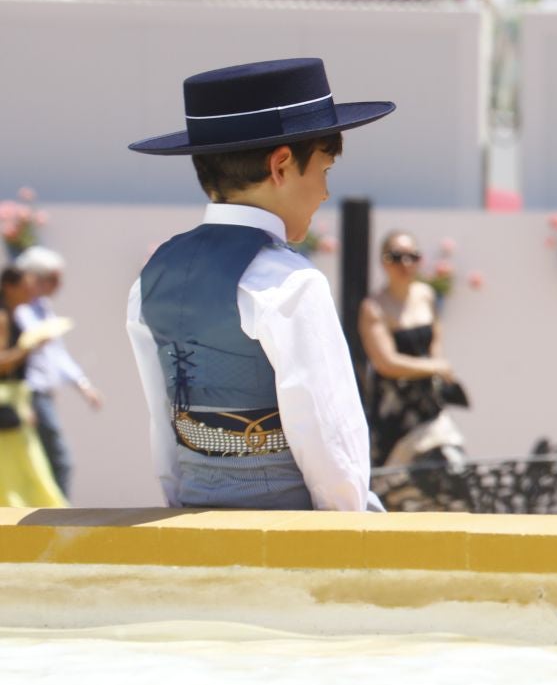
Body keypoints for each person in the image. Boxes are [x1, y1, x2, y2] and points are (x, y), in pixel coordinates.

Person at [125, 57, 392, 511]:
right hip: (287, 544)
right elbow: (329, 441)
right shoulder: (288, 283)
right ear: (281, 165)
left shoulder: (152, 277)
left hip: (192, 527)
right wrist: (350, 526)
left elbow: (162, 425)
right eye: (324, 170)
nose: (326, 193)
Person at [360, 229, 467, 469]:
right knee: (395, 484)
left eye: (413, 256)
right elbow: (385, 362)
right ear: (383, 261)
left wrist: (438, 371)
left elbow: (435, 339)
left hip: (428, 403)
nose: (405, 264)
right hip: (395, 409)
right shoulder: (374, 307)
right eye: (396, 257)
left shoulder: (426, 294)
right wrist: (435, 366)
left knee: (452, 467)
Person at [13, 246, 101, 499]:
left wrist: (83, 385)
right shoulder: (19, 310)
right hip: (30, 395)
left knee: (45, 460)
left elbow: (56, 352)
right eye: (53, 278)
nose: (58, 284)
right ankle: (56, 515)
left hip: (42, 395)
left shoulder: (41, 307)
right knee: (58, 459)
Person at [0, 266, 68, 507]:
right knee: (26, 466)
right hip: (7, 401)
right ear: (9, 287)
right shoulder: (3, 316)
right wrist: (30, 346)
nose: (32, 292)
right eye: (27, 287)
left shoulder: (13, 313)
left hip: (16, 398)